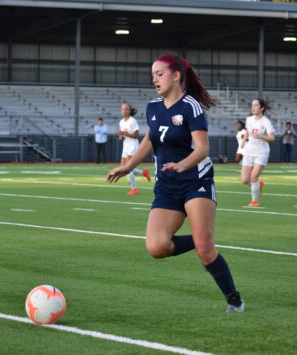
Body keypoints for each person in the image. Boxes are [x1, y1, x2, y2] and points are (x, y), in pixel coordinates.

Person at [107, 54, 244, 313]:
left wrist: (184, 164)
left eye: (160, 74)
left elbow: (203, 148)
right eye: (153, 75)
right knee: (156, 247)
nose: (155, 79)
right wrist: (128, 166)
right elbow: (150, 139)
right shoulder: (153, 107)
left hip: (196, 182)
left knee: (206, 254)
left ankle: (235, 300)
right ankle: (202, 238)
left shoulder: (191, 107)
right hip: (167, 186)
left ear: (177, 76)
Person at [240, 98, 276, 207]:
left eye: (256, 105)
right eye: (252, 105)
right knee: (245, 180)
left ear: (262, 108)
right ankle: (258, 185)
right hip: (249, 151)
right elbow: (247, 130)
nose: (253, 107)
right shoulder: (249, 119)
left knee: (253, 177)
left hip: (262, 152)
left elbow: (272, 138)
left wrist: (260, 136)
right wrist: (243, 141)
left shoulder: (266, 122)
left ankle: (254, 201)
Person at [117, 103, 151, 194]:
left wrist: (124, 134)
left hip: (132, 145)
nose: (124, 111)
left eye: (126, 109)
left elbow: (136, 135)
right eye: (122, 109)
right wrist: (121, 136)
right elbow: (123, 136)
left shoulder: (132, 121)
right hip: (126, 145)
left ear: (129, 110)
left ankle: (134, 188)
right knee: (123, 167)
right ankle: (143, 173)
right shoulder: (121, 122)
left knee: (128, 166)